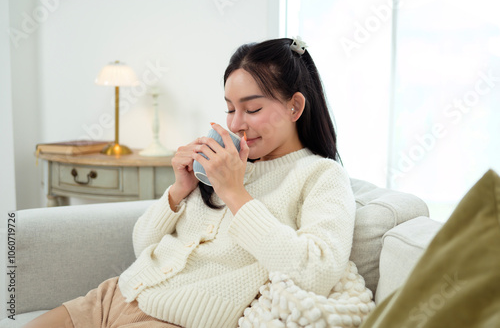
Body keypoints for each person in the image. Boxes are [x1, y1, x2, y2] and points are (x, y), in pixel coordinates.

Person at [25, 37, 356, 328]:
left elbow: (317, 271)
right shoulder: (224, 164)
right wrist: (178, 190)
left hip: (175, 318)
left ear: (295, 106)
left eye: (252, 109)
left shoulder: (320, 176)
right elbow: (143, 246)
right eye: (229, 109)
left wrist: (235, 193)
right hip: (113, 296)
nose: (237, 124)